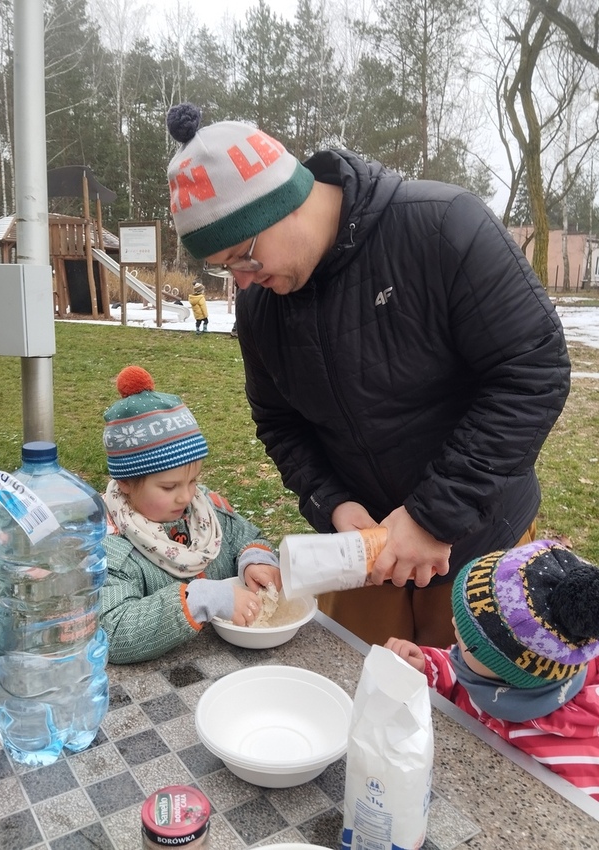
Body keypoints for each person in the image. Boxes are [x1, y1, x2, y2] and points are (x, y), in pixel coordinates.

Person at [165, 102, 570, 647]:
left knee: (467, 694)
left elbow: (533, 370)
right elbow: (279, 423)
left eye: (244, 257)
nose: (241, 282)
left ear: (285, 204)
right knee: (354, 682)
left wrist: (433, 518)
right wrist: (331, 503)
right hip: (359, 555)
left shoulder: (443, 227)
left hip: (480, 540)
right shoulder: (261, 304)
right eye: (225, 268)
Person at [385, 539, 599, 801]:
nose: (453, 623)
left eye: (468, 640)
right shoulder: (494, 673)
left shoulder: (571, 765)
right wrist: (428, 667)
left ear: (509, 674)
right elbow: (462, 671)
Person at [100, 365, 281, 664]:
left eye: (193, 480)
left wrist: (256, 559)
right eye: (169, 486)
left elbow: (243, 535)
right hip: (173, 674)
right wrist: (198, 599)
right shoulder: (111, 547)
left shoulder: (203, 508)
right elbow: (112, 632)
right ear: (126, 483)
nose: (185, 496)